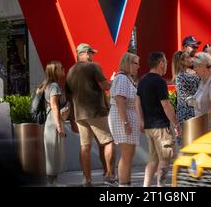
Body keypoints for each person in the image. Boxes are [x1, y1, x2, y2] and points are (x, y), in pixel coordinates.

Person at [66, 43, 116, 186]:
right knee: (108, 142)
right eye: (91, 53)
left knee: (85, 146)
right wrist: (112, 80)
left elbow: (69, 96)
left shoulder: (71, 71)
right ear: (86, 53)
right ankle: (110, 176)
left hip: (79, 114)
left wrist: (71, 119)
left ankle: (87, 180)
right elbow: (105, 86)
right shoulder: (93, 66)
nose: (93, 56)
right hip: (95, 111)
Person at [136, 51, 181, 187]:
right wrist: (176, 124)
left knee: (153, 160)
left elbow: (137, 101)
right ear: (160, 63)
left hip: (149, 126)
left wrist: (141, 121)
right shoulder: (159, 81)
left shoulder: (143, 80)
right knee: (165, 159)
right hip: (161, 127)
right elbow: (166, 105)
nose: (166, 65)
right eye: (165, 62)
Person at [109, 53, 140, 187]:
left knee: (128, 155)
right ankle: (124, 185)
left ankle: (126, 183)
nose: (138, 66)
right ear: (127, 63)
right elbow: (120, 100)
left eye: (138, 63)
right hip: (122, 119)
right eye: (135, 63)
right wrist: (126, 123)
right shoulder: (121, 78)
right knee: (127, 155)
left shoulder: (126, 79)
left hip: (126, 118)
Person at [38, 60, 66, 186]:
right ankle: (52, 182)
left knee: (51, 152)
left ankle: (52, 181)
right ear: (55, 71)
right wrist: (59, 126)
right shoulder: (54, 86)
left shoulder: (46, 85)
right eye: (61, 67)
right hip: (53, 122)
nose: (63, 69)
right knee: (53, 152)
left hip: (50, 121)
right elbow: (54, 106)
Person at [171, 51, 199, 126]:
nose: (190, 59)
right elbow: (184, 97)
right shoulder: (180, 76)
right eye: (187, 57)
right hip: (186, 114)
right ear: (181, 61)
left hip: (193, 112)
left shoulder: (188, 74)